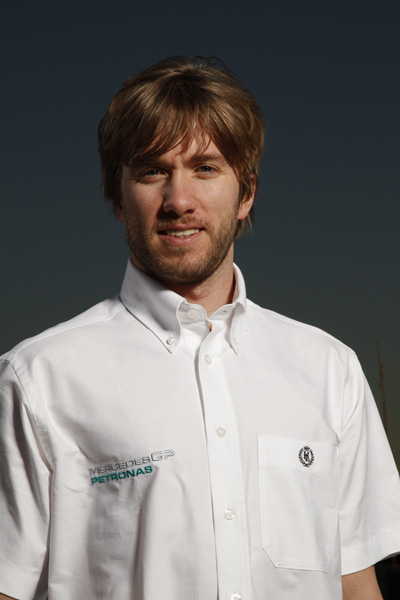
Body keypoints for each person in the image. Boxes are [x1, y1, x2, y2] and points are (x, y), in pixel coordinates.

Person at [0, 56, 399, 600]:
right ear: (117, 197)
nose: (179, 201)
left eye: (205, 168)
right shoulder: (38, 379)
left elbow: (355, 583)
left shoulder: (331, 370)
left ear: (246, 193)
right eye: (152, 171)